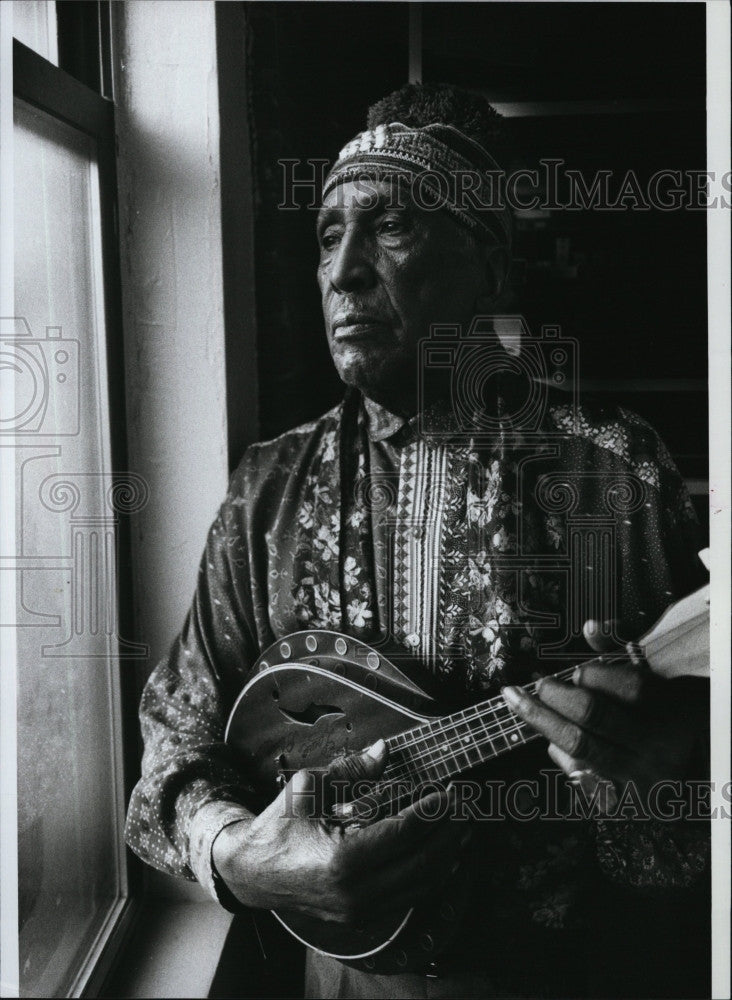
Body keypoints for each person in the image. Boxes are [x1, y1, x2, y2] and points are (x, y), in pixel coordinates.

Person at [125, 84, 710, 999]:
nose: (343, 271)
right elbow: (177, 734)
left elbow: (675, 846)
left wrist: (663, 777)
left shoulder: (603, 477)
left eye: (392, 225)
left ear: (490, 264)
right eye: (327, 235)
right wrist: (242, 861)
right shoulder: (267, 491)